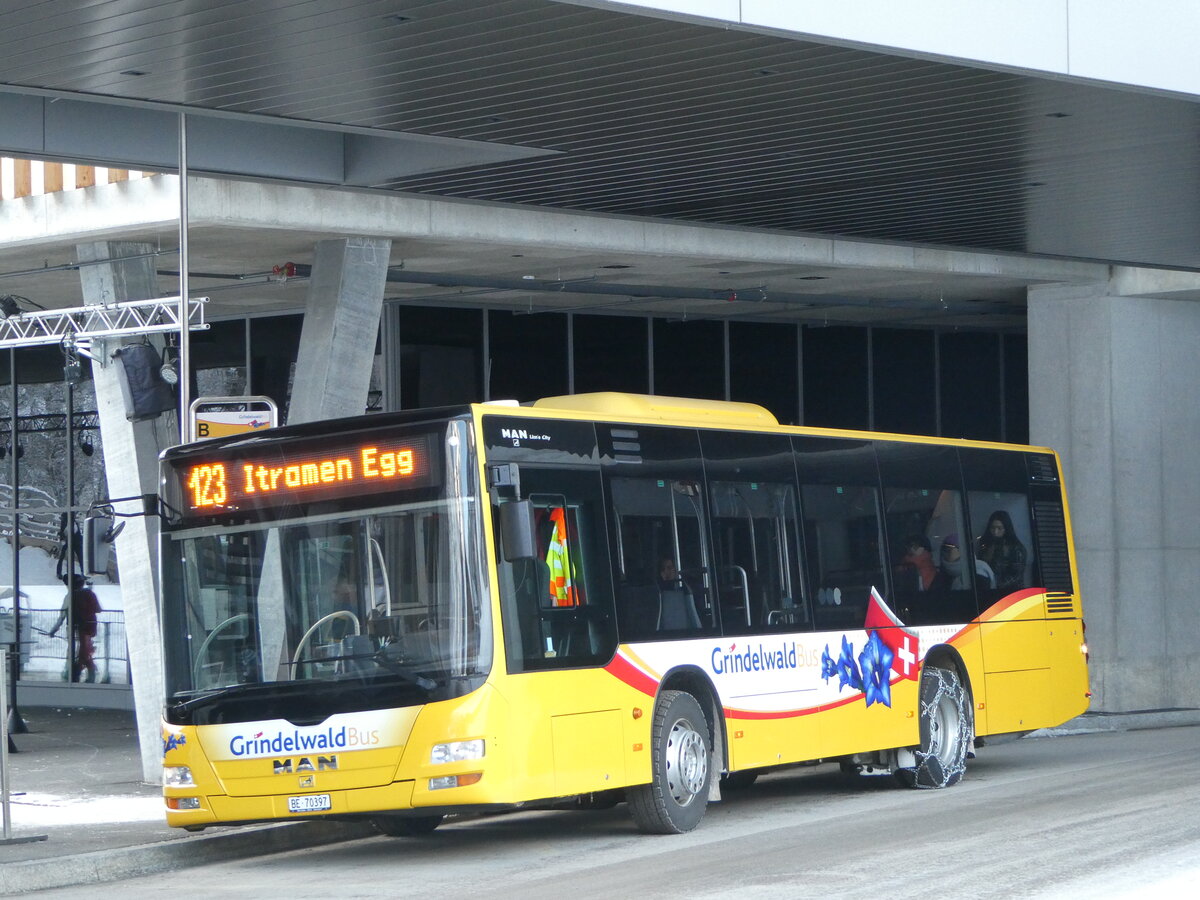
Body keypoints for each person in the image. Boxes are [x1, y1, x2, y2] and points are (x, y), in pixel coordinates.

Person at [48, 574, 102, 683]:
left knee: (78, 653)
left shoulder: (70, 596)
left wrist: (54, 630)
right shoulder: (89, 593)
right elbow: (98, 609)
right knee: (83, 652)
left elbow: (62, 616)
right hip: (90, 628)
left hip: (76, 629)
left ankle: (74, 674)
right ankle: (87, 674)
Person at [976, 510, 1028, 592]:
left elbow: (1016, 575)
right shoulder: (985, 545)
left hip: (1012, 593)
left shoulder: (1016, 548)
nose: (995, 532)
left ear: (1006, 528)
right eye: (993, 528)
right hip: (987, 590)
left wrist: (997, 585)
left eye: (999, 528)